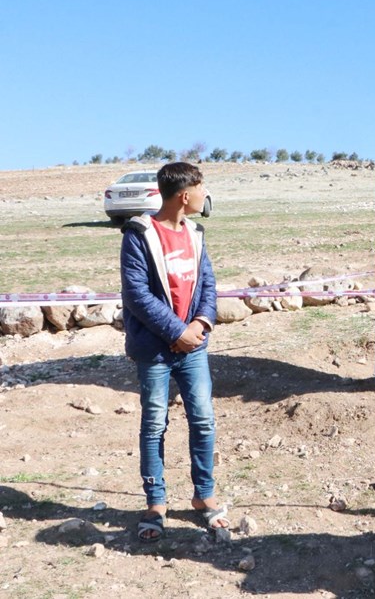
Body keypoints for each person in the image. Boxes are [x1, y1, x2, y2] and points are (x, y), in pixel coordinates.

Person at [120, 161, 228, 541]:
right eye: (202, 188)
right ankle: (156, 503)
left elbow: (208, 285)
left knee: (203, 420)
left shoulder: (196, 234)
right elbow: (136, 294)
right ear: (185, 195)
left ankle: (204, 495)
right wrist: (176, 331)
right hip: (155, 351)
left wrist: (200, 325)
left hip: (193, 348)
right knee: (154, 425)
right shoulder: (139, 234)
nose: (205, 194)